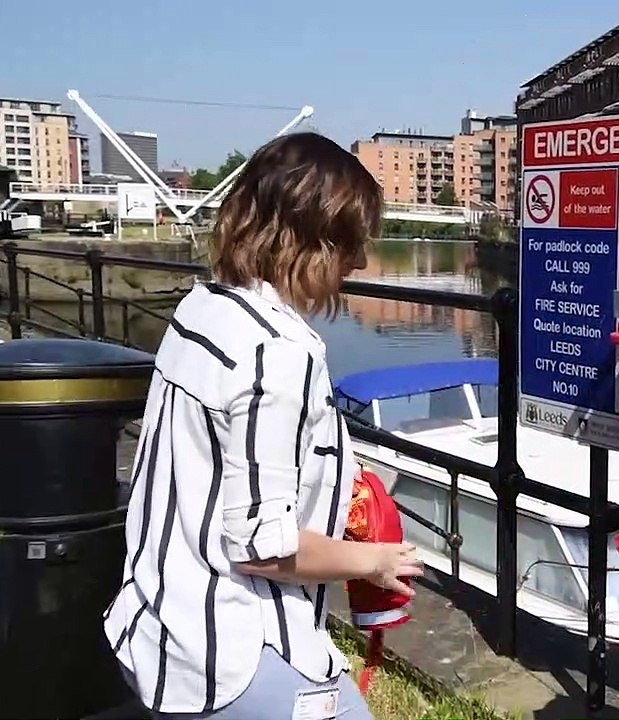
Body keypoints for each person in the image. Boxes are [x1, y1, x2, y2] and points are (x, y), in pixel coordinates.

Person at [103, 131, 424, 720]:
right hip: (229, 650)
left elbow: (222, 458)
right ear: (313, 240)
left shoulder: (205, 309)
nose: (359, 263)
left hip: (158, 617)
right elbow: (261, 548)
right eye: (351, 243)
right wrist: (375, 560)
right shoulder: (278, 353)